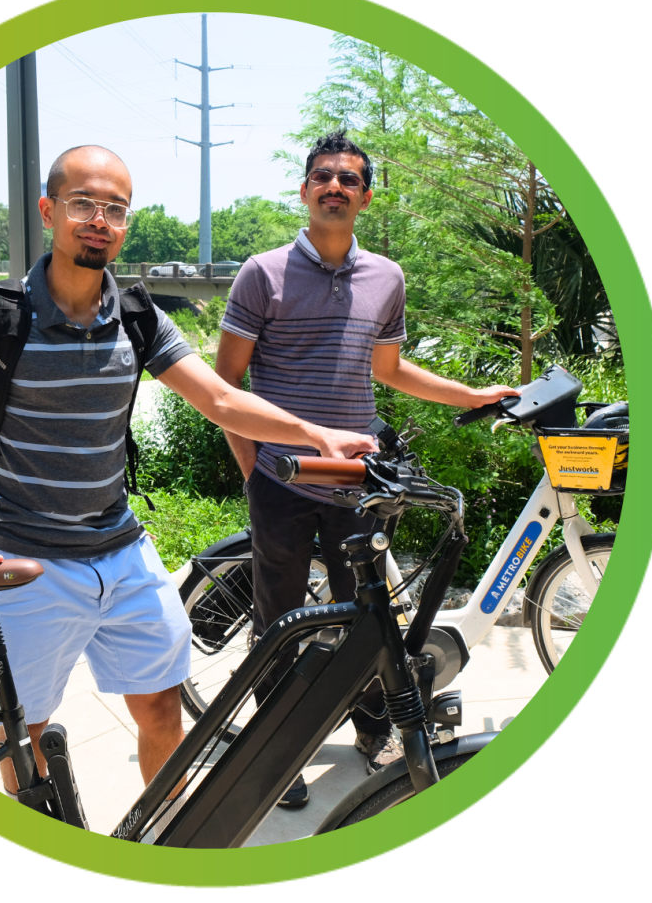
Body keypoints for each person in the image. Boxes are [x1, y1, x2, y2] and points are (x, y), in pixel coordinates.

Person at [0, 144, 375, 811]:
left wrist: (313, 432)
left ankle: (165, 836)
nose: (100, 219)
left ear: (126, 223)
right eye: (84, 204)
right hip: (23, 559)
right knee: (26, 730)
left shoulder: (138, 315)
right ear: (49, 211)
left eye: (115, 209)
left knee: (160, 707)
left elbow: (220, 399)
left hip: (122, 550)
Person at [216, 132, 518, 807]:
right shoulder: (261, 273)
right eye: (322, 175)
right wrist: (255, 473)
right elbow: (226, 387)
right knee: (279, 623)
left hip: (358, 485)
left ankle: (372, 727)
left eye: (348, 179)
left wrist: (471, 395)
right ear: (304, 190)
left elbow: (389, 370)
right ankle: (275, 752)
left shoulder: (386, 277)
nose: (334, 186)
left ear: (365, 196)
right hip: (282, 484)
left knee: (368, 617)